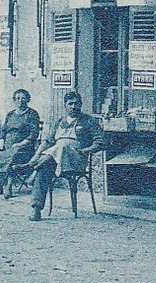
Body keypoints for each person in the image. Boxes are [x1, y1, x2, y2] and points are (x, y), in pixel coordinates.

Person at [25, 90, 104, 221]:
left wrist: (86, 150)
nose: (74, 106)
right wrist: (36, 155)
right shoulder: (59, 122)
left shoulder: (89, 121)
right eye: (70, 104)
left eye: (77, 103)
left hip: (77, 158)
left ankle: (32, 168)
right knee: (45, 170)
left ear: (81, 104)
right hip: (55, 159)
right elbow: (47, 142)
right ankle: (36, 209)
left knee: (62, 146)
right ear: (65, 105)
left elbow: (100, 143)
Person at [0, 88, 42, 197]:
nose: (20, 101)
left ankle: (8, 186)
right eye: (18, 98)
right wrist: (1, 143)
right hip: (7, 144)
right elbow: (3, 130)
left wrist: (21, 143)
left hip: (24, 146)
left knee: (12, 157)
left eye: (23, 98)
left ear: (28, 100)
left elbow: (34, 134)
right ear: (14, 100)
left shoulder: (32, 114)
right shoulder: (10, 114)